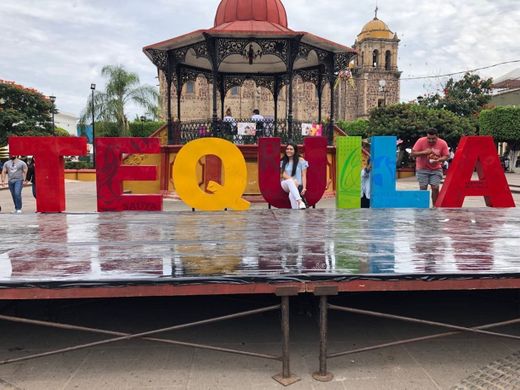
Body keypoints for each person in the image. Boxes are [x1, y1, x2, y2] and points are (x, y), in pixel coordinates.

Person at [410, 128, 449, 206]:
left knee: (435, 187)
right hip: (422, 169)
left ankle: (435, 207)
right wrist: (424, 152)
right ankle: (422, 207)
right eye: (429, 138)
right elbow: (412, 154)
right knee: (423, 188)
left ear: (437, 137)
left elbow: (446, 156)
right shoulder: (420, 141)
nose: (431, 140)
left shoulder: (442, 143)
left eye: (433, 139)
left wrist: (439, 159)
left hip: (436, 169)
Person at [280, 143, 308, 209]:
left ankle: (296, 213)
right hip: (285, 184)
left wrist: (304, 187)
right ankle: (300, 201)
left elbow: (304, 175)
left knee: (291, 195)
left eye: (291, 149)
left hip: (297, 185)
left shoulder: (301, 161)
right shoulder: (283, 161)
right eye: (287, 149)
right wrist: (293, 180)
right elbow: (283, 174)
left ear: (295, 150)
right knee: (290, 181)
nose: (288, 150)